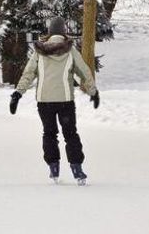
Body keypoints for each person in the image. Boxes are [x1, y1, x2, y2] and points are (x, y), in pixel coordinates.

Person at [10, 17, 99, 185]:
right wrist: (93, 92)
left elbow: (28, 73)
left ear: (49, 32)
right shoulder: (70, 51)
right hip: (65, 101)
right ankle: (77, 168)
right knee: (70, 134)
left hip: (45, 102)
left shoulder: (39, 51)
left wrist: (18, 93)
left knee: (49, 133)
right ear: (64, 32)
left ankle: (53, 166)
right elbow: (84, 72)